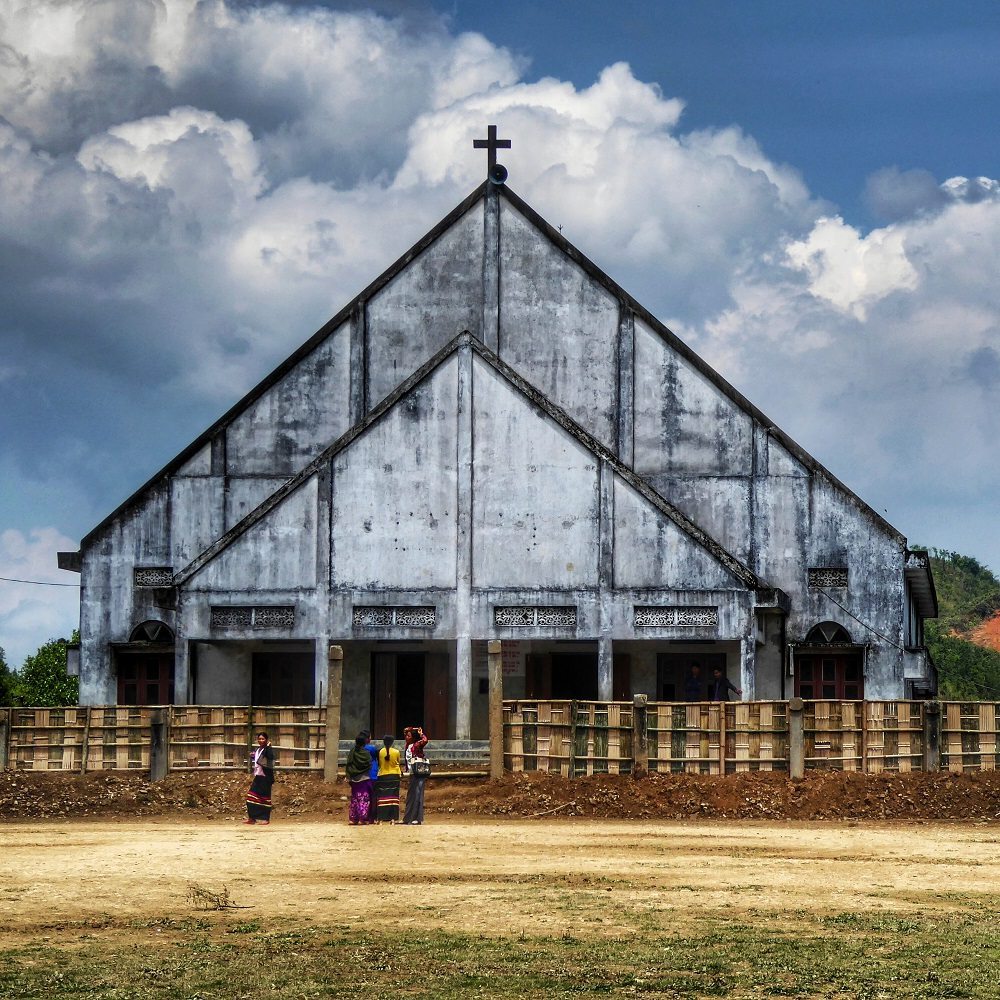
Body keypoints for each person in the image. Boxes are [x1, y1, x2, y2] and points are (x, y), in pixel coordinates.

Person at [245, 731, 275, 825]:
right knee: (251, 796)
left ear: (266, 740)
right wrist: (253, 756)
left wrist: (268, 747)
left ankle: (265, 819)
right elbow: (258, 760)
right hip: (258, 776)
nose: (261, 740)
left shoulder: (268, 749)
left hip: (266, 777)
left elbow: (270, 758)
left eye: (263, 739)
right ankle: (252, 818)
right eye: (259, 739)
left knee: (265, 798)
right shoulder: (258, 750)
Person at [345, 732, 375, 825]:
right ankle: (363, 818)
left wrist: (349, 776)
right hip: (364, 779)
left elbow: (349, 764)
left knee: (355, 798)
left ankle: (353, 819)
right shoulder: (366, 753)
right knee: (364, 799)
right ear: (364, 742)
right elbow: (369, 764)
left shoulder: (352, 752)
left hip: (354, 779)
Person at [402, 725, 429, 825]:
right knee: (411, 796)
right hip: (412, 773)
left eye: (409, 736)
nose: (406, 737)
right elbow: (405, 730)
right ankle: (408, 817)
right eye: (406, 736)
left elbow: (425, 740)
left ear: (412, 737)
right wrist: (410, 729)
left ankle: (417, 818)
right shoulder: (407, 747)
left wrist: (421, 733)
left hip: (419, 772)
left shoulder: (417, 745)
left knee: (418, 795)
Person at [374, 734, 402, 823]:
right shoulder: (396, 752)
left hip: (382, 775)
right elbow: (398, 763)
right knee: (394, 797)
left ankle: (381, 817)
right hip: (394, 775)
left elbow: (379, 764)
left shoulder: (380, 752)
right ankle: (393, 818)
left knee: (382, 797)